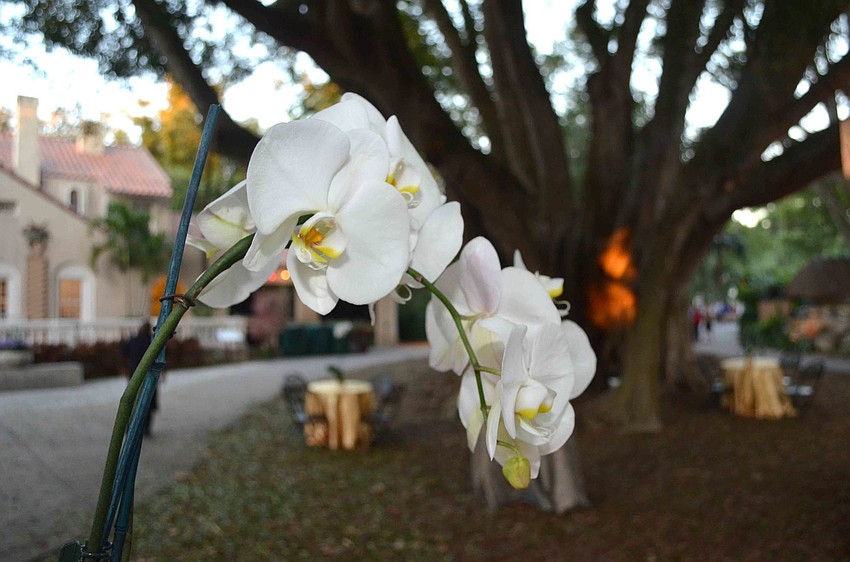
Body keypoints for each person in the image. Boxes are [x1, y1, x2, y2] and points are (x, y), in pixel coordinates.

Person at [122, 322, 157, 436]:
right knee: (148, 401)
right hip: (149, 375)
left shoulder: (134, 340)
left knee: (133, 401)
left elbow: (123, 354)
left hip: (134, 374)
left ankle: (131, 427)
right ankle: (146, 428)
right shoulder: (152, 341)